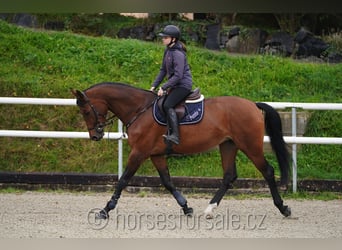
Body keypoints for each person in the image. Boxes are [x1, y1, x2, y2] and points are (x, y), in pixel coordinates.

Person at [150, 25, 193, 145]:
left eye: (165, 37)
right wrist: (154, 85)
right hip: (175, 84)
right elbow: (163, 70)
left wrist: (164, 87)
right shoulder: (168, 50)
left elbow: (178, 76)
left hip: (183, 85)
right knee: (161, 102)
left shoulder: (178, 54)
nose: (163, 39)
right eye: (163, 37)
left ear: (173, 39)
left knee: (168, 105)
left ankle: (175, 135)